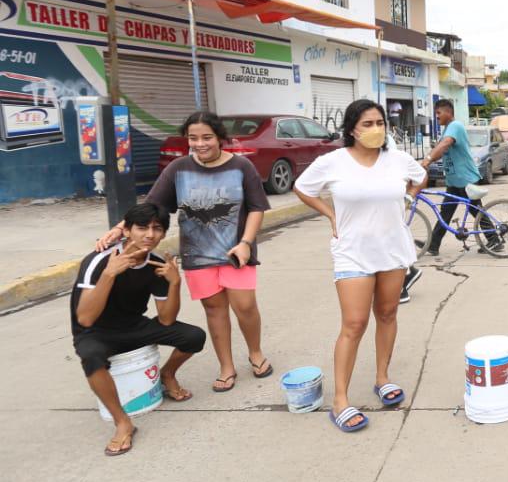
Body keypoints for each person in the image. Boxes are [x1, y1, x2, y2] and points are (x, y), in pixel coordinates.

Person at [97, 110, 272, 393]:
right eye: (193, 138)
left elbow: (256, 208)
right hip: (197, 255)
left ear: (220, 138)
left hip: (236, 252)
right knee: (214, 310)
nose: (200, 144)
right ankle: (226, 366)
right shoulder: (178, 169)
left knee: (245, 306)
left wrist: (246, 242)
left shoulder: (241, 166)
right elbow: (154, 204)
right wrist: (120, 228)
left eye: (207, 137)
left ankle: (255, 352)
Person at [294, 99, 426, 433]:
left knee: (387, 314)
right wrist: (330, 214)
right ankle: (340, 400)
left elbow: (420, 176)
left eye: (380, 123)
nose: (376, 130)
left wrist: (408, 198)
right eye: (367, 124)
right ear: (351, 128)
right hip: (352, 252)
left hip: (393, 249)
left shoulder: (398, 160)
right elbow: (302, 188)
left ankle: (382, 378)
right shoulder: (332, 162)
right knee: (354, 324)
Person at [73, 203, 207, 456]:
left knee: (193, 336)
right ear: (127, 231)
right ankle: (122, 422)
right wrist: (109, 275)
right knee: (91, 357)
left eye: (157, 229)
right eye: (142, 227)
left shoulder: (156, 263)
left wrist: (175, 283)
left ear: (164, 234)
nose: (149, 235)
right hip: (96, 331)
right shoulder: (98, 260)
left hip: (134, 326)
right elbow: (86, 318)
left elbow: (166, 320)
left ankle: (167, 375)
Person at [417, 98, 490, 268]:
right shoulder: (447, 130)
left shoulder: (454, 127)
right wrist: (425, 161)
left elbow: (445, 144)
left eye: (438, 113)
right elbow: (441, 150)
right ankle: (433, 245)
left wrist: (427, 160)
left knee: (476, 210)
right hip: (455, 181)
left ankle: (494, 238)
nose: (436, 117)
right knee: (446, 213)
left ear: (448, 112)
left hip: (465, 179)